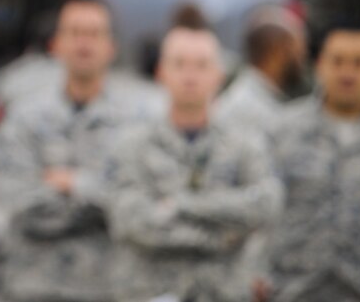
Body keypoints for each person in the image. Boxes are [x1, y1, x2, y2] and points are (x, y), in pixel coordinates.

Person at [0, 0, 154, 302]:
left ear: (111, 47)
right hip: (32, 285)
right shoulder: (25, 117)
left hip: (108, 286)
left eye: (94, 34)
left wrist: (73, 183)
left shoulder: (139, 123)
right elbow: (15, 200)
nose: (84, 43)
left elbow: (136, 208)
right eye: (75, 33)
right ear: (56, 44)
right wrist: (98, 198)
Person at [108, 19, 283, 302]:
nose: (190, 75)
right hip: (151, 291)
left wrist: (180, 205)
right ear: (161, 72)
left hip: (223, 292)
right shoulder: (131, 145)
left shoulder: (246, 143)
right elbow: (131, 220)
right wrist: (226, 235)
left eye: (201, 65)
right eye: (179, 64)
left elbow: (266, 204)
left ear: (219, 75)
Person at [269, 19, 360, 302]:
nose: (348, 72)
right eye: (338, 61)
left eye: (359, 63)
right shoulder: (282, 132)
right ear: (320, 64)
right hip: (292, 289)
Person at [215, 5, 307, 140]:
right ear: (276, 51)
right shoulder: (248, 110)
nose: (302, 58)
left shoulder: (262, 100)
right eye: (296, 49)